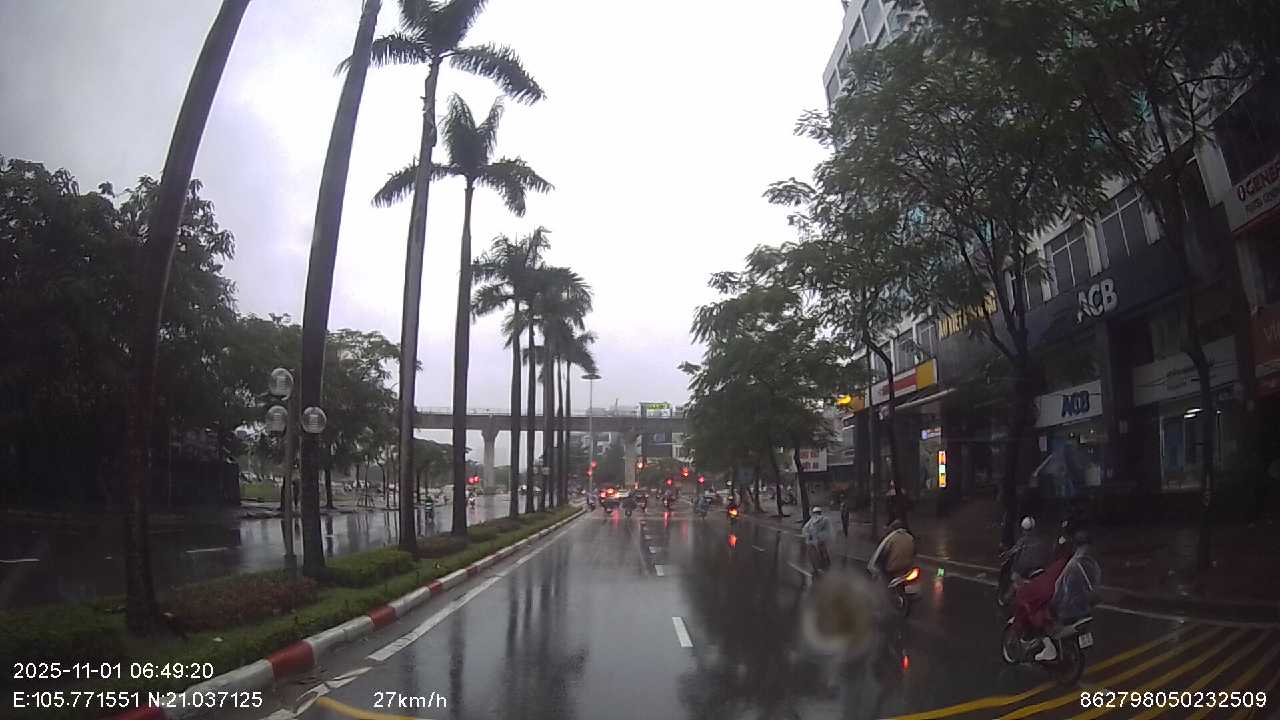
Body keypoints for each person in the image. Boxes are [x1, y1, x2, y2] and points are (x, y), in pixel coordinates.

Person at [802, 507, 834, 574]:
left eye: (816, 513)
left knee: (818, 553)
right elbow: (806, 529)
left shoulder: (819, 520)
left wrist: (809, 535)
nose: (816, 514)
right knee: (819, 552)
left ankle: (821, 566)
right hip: (816, 540)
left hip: (817, 539)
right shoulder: (816, 520)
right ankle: (821, 566)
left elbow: (805, 529)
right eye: (815, 513)